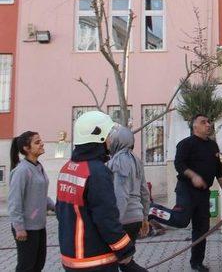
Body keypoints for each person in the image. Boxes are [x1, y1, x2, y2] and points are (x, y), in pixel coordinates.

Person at [56, 111, 142, 271]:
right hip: (94, 259)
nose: (111, 140)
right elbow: (106, 218)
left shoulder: (66, 168)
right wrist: (126, 251)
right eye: (108, 134)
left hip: (71, 257)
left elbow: (60, 212)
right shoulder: (97, 172)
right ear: (99, 137)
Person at [147, 114, 222, 272]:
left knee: (201, 229)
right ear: (195, 127)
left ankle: (197, 263)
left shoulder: (213, 146)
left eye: (209, 121)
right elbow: (179, 164)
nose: (208, 124)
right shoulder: (185, 144)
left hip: (204, 193)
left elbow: (218, 168)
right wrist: (193, 176)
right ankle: (152, 210)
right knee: (181, 220)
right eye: (203, 122)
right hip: (187, 189)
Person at [8, 131, 55, 272]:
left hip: (39, 226)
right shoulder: (22, 171)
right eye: (37, 142)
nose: (42, 143)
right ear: (26, 148)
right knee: (26, 267)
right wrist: (19, 227)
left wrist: (55, 207)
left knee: (38, 264)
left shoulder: (38, 167)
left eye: (40, 140)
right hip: (26, 228)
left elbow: (40, 194)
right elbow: (14, 201)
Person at [105, 126, 151, 271]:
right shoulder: (136, 160)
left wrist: (115, 223)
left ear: (119, 141)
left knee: (124, 262)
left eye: (111, 138)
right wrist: (144, 218)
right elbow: (144, 192)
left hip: (123, 218)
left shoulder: (119, 161)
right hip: (135, 217)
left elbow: (121, 193)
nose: (109, 142)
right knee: (125, 261)